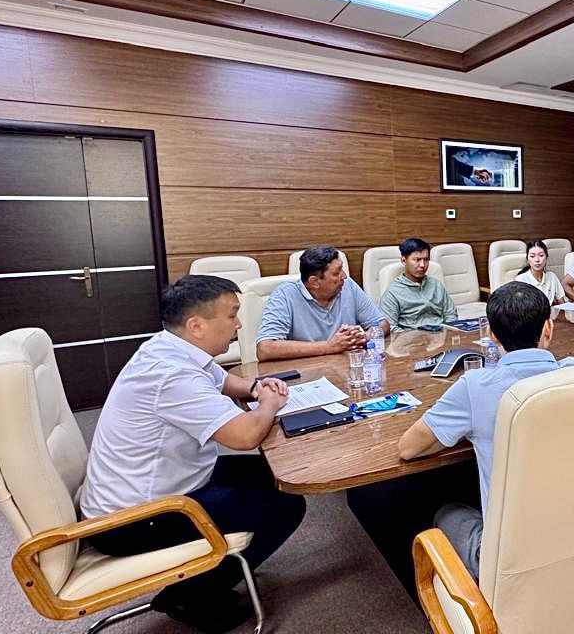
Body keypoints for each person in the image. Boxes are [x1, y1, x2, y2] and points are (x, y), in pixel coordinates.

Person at [78, 276, 306, 633]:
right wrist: (270, 404)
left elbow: (222, 379)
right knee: (287, 506)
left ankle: (204, 578)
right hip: (134, 520)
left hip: (164, 486)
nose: (239, 324)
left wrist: (255, 387)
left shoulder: (169, 347)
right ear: (196, 325)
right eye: (231, 315)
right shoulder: (171, 374)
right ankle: (190, 596)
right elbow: (245, 436)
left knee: (275, 475)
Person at [397, 281, 574, 579]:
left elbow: (408, 449)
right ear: (548, 329)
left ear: (491, 335)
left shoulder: (475, 387)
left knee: (447, 513)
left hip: (511, 558)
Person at [256, 245, 388, 361]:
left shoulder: (347, 285)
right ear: (314, 282)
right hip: (308, 371)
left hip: (347, 367)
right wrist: (330, 346)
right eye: (336, 273)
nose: (344, 276)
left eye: (342, 269)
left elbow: (382, 323)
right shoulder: (284, 295)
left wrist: (364, 337)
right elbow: (265, 348)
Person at [379, 238, 458, 332]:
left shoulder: (436, 284)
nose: (422, 265)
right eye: (417, 260)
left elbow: (451, 314)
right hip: (412, 338)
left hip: (442, 335)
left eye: (426, 260)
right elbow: (391, 328)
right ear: (404, 261)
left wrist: (448, 333)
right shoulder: (393, 293)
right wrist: (415, 338)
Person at [515, 239, 567, 304]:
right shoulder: (521, 280)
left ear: (546, 258)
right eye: (532, 256)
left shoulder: (552, 277)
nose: (537, 260)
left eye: (541, 255)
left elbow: (562, 303)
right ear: (527, 259)